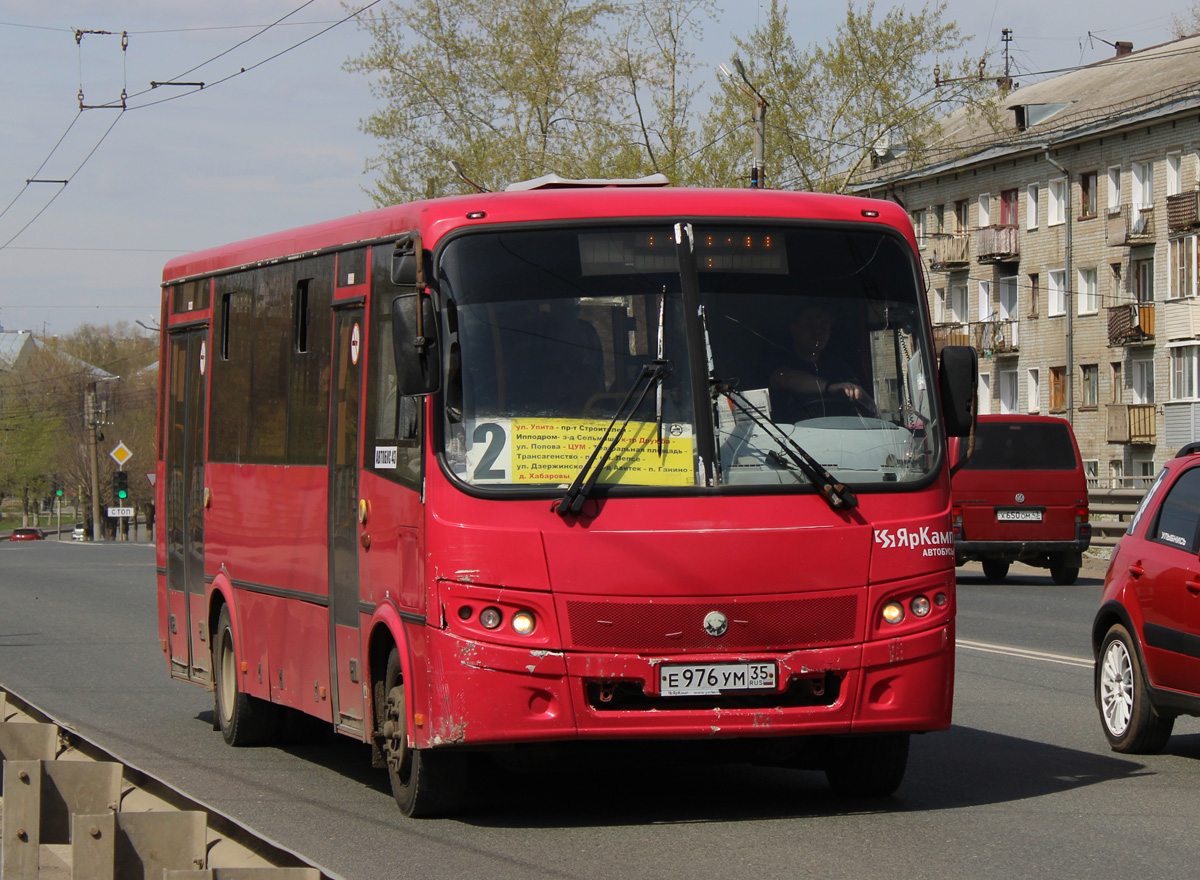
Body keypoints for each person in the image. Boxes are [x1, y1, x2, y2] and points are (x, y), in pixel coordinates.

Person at [769, 301, 872, 421]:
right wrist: (831, 387)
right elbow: (785, 378)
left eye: (824, 325)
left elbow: (858, 397)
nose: (817, 331)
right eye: (809, 324)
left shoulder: (838, 366)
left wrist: (868, 402)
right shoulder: (778, 360)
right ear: (794, 329)